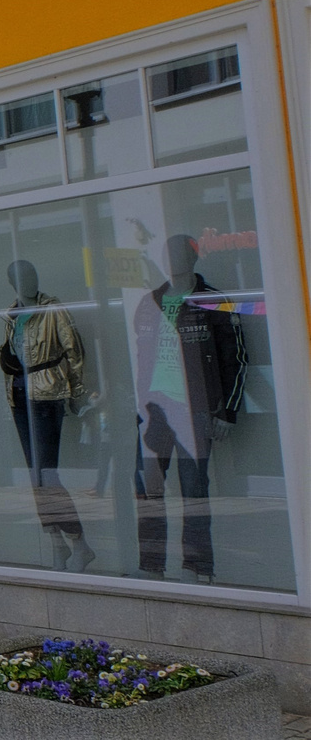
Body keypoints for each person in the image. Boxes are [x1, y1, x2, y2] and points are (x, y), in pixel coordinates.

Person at [132, 235, 246, 584]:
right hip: (155, 410)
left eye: (180, 252)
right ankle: (151, 565)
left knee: (194, 489)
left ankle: (198, 567)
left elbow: (236, 358)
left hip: (195, 409)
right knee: (147, 487)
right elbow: (141, 357)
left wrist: (227, 410)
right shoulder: (149, 301)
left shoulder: (212, 300)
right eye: (167, 253)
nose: (172, 259)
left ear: (194, 258)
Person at [0, 260, 94, 572]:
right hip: (18, 394)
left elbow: (74, 351)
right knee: (36, 477)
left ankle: (79, 542)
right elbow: (11, 354)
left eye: (33, 274)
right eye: (22, 277)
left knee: (47, 474)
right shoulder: (12, 314)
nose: (29, 281)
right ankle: (58, 544)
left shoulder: (53, 309)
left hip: (47, 393)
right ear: (12, 282)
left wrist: (76, 393)